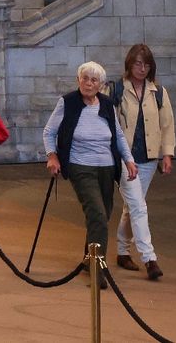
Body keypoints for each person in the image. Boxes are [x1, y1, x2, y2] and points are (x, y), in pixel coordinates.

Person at [44, 61, 137, 281]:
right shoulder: (68, 102)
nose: (88, 83)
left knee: (102, 215)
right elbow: (49, 132)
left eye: (93, 80)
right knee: (97, 212)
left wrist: (129, 160)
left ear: (101, 85)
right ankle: (98, 267)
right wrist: (52, 155)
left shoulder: (106, 104)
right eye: (84, 78)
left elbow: (118, 135)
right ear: (78, 80)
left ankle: (89, 258)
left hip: (107, 166)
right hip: (80, 165)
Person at [114, 43, 173, 281]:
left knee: (133, 207)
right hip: (124, 158)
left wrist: (167, 154)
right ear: (130, 63)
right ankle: (149, 258)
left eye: (147, 64)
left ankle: (121, 251)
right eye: (138, 63)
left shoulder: (158, 92)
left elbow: (167, 125)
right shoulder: (117, 89)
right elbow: (110, 122)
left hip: (148, 158)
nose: (142, 68)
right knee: (138, 206)